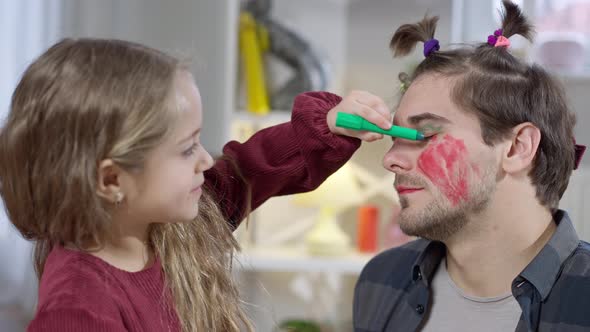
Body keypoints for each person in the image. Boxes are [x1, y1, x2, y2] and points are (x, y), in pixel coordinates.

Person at [0, 38, 392, 332]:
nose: (206, 160)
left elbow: (251, 169)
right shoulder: (78, 308)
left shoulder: (176, 220)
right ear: (111, 179)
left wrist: (327, 125)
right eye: (187, 149)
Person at [352, 1, 589, 331]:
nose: (390, 159)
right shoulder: (380, 282)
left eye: (425, 132)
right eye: (395, 135)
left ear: (518, 148)